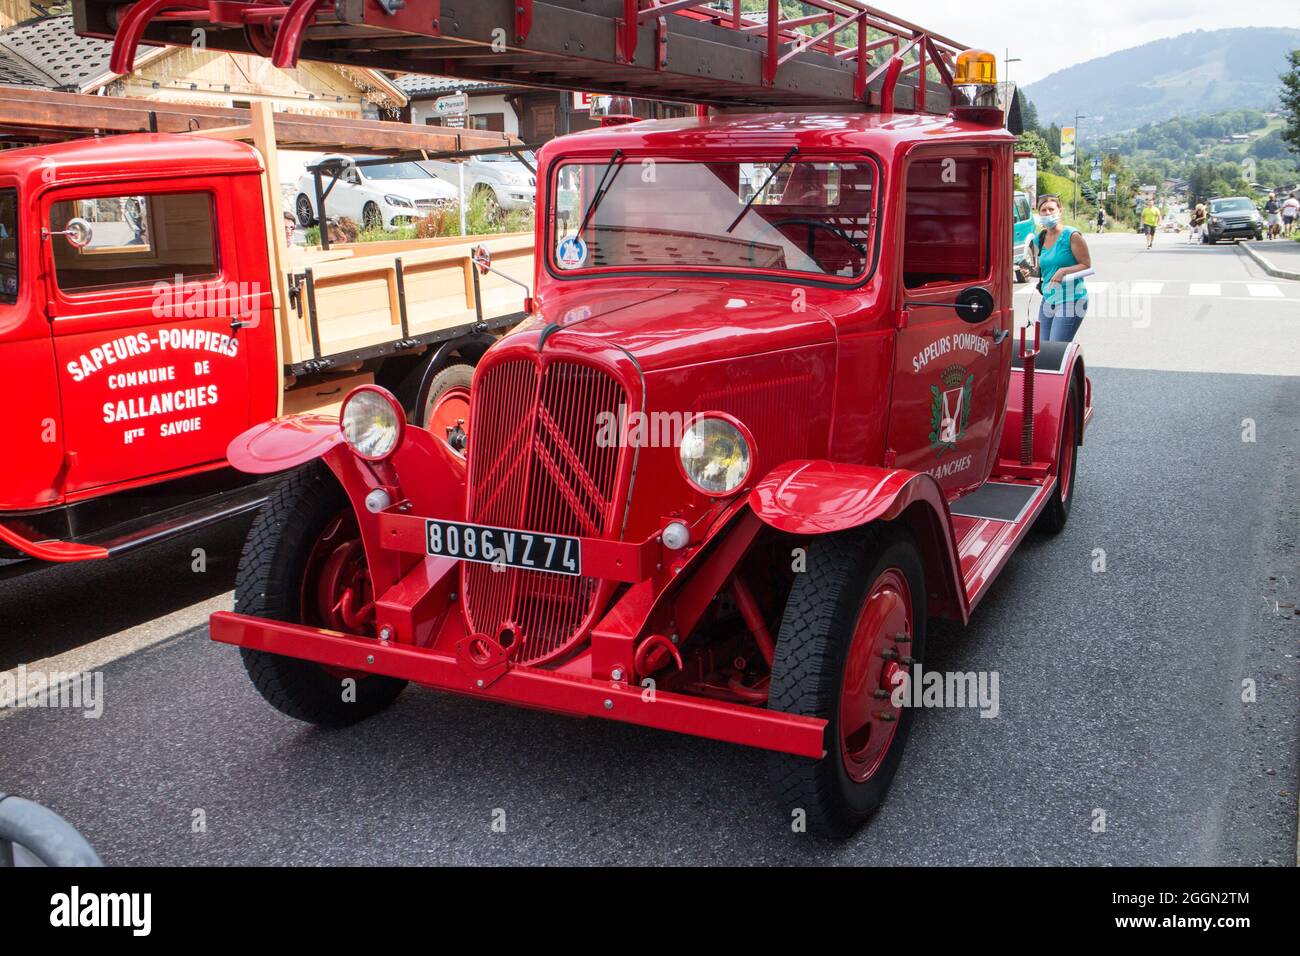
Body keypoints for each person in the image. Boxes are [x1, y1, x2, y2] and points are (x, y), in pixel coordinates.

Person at [1031, 194, 1091, 342]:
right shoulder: (1039, 239)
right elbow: (1044, 268)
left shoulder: (1072, 235)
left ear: (1060, 211)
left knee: (1056, 348)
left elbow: (1086, 265)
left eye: (1051, 209)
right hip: (1048, 298)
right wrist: (1030, 271)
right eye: (1043, 210)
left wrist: (1064, 271)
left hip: (1071, 298)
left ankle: (1072, 365)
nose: (1048, 213)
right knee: (1044, 348)